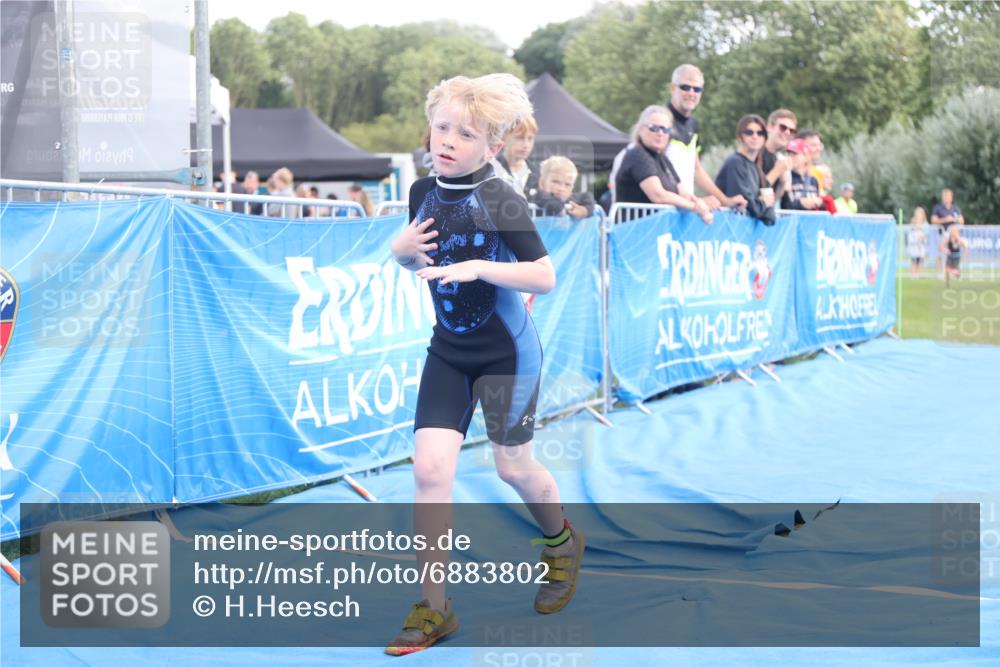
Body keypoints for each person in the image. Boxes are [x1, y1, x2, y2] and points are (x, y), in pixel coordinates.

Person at [386, 73, 584, 656]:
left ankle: (561, 541)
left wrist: (481, 267)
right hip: (448, 350)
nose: (447, 139)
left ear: (492, 146)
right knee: (428, 470)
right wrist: (397, 251)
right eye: (441, 126)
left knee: (512, 468)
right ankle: (435, 607)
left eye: (464, 133)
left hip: (506, 353)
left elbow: (544, 276)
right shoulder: (422, 190)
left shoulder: (500, 196)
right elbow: (422, 259)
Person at [663, 64, 746, 211]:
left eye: (697, 89)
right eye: (685, 87)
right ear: (673, 88)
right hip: (660, 210)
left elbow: (696, 170)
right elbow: (654, 169)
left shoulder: (693, 124)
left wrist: (725, 200)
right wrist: (695, 201)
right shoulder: (660, 120)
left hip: (684, 210)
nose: (691, 93)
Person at [614, 105, 713, 224]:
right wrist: (696, 207)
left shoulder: (662, 158)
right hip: (633, 234)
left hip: (656, 233)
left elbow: (684, 193)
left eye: (666, 130)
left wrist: (701, 203)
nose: (660, 133)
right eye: (654, 128)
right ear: (640, 130)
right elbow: (658, 195)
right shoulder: (637, 155)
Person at [713, 114, 776, 225]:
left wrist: (762, 203)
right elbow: (750, 207)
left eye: (760, 133)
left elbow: (770, 217)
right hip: (728, 231)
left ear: (765, 138)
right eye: (749, 132)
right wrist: (763, 203)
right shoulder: (735, 163)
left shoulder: (757, 168)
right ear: (740, 136)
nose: (755, 136)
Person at [530, 156, 595, 219]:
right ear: (542, 183)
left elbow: (587, 196)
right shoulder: (536, 196)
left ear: (572, 188)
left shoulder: (571, 199)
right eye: (555, 182)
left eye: (567, 184)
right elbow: (549, 201)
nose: (561, 189)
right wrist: (560, 208)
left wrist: (584, 211)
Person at [496, 115, 539, 198]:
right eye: (520, 138)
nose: (526, 145)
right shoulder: (490, 169)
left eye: (530, 138)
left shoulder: (537, 173)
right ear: (504, 137)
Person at [761, 109, 797, 200]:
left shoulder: (778, 158)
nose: (787, 132)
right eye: (783, 127)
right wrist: (777, 171)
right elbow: (754, 192)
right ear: (769, 127)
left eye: (791, 130)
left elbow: (773, 199)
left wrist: (782, 183)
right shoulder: (755, 153)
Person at [780, 137, 823, 211]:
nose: (790, 157)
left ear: (806, 156)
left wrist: (820, 203)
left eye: (795, 154)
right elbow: (783, 205)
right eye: (788, 153)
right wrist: (801, 203)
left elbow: (820, 207)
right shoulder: (785, 176)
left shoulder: (813, 180)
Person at [906, 207, 928, 276]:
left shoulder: (925, 225)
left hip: (921, 246)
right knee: (913, 261)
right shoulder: (912, 225)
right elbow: (909, 234)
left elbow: (927, 235)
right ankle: (913, 274)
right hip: (914, 246)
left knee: (921, 260)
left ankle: (920, 274)